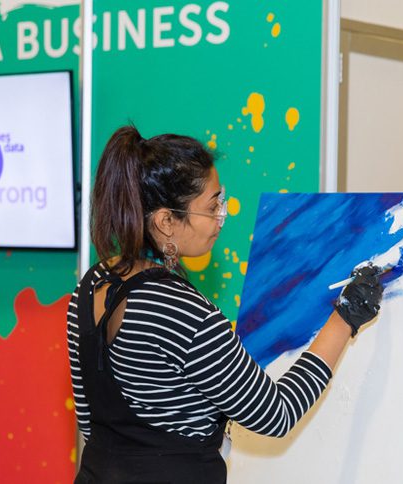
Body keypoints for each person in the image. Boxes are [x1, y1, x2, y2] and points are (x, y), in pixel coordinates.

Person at [67, 126, 384, 483]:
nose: (222, 215)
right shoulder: (182, 311)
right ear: (166, 221)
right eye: (212, 205)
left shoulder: (92, 284)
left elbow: (89, 421)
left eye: (222, 199)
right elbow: (277, 414)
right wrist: (345, 318)